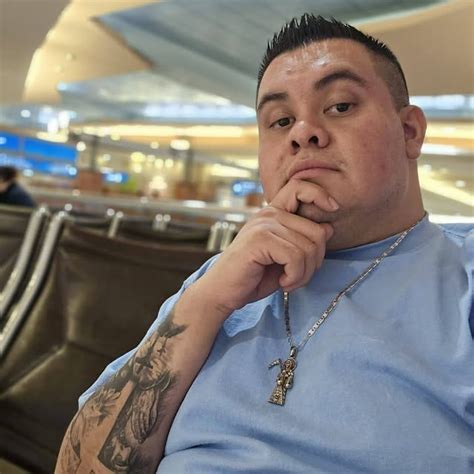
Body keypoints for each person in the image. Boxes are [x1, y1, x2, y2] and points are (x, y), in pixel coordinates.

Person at [56, 15, 473, 473]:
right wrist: (207, 303)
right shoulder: (219, 283)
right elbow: (80, 467)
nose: (302, 132)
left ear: (410, 131)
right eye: (280, 120)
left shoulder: (462, 278)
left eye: (339, 106)